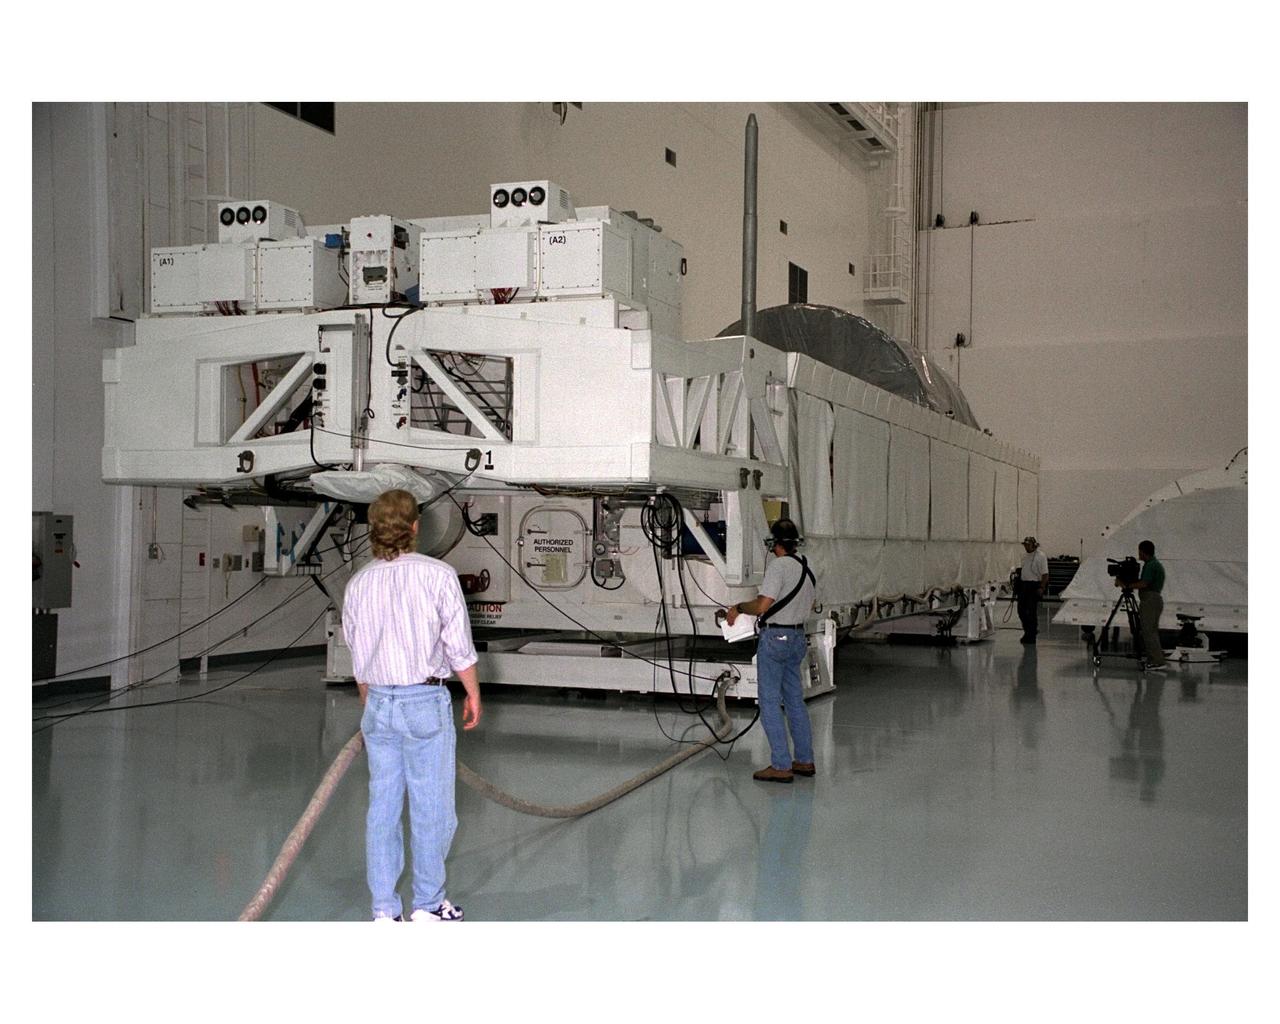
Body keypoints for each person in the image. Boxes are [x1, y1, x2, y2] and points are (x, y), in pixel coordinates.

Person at [342, 488, 483, 922]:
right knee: (432, 808)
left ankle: (385, 911)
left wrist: (373, 706)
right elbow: (457, 646)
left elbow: (358, 655)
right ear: (415, 527)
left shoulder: (358, 583)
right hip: (425, 700)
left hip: (379, 704)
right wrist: (473, 693)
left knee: (382, 808)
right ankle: (427, 905)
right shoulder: (437, 574)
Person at [724, 518, 817, 783]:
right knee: (795, 701)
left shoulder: (778, 566)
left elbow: (764, 605)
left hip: (776, 638)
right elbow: (809, 604)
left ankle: (780, 765)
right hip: (798, 637)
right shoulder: (807, 567)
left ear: (773, 544)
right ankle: (804, 760)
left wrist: (739, 607)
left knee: (768, 701)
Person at [1116, 538, 1168, 670]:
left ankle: (1157, 662)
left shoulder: (1151, 565)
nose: (1138, 555)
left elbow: (1144, 583)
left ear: (1144, 552)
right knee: (1150, 631)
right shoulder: (1153, 564)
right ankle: (1154, 659)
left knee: (1148, 631)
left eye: (1139, 552)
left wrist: (1127, 584)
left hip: (1150, 600)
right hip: (1153, 599)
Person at [1017, 536, 1050, 644]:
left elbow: (1045, 574)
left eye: (1028, 545)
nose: (1026, 547)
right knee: (1021, 610)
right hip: (1024, 585)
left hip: (1034, 585)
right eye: (1025, 545)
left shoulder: (1041, 556)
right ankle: (1028, 631)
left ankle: (1031, 634)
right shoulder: (1024, 556)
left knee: (1031, 611)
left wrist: (1042, 587)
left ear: (1034, 545)